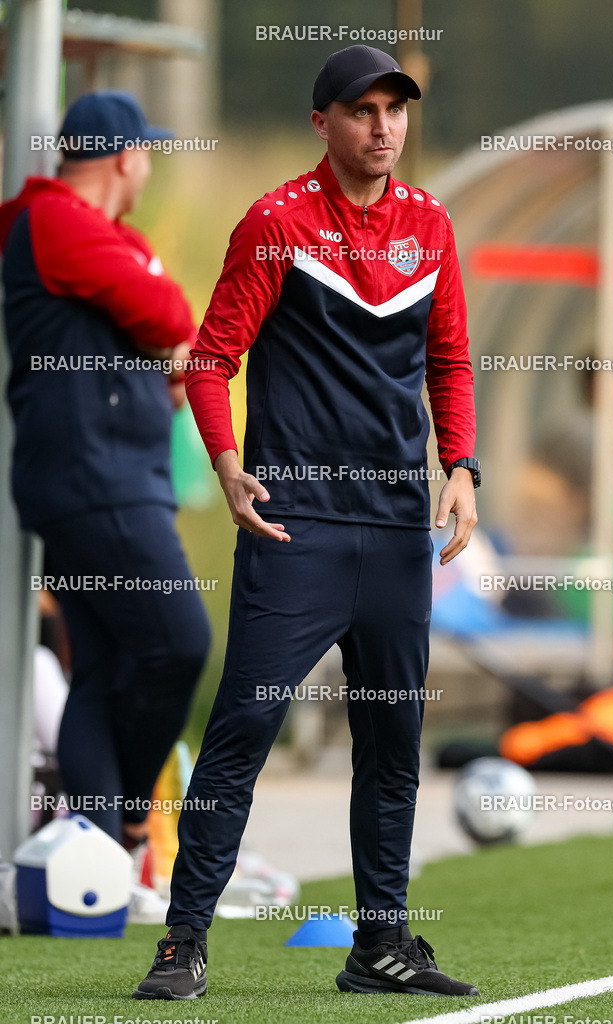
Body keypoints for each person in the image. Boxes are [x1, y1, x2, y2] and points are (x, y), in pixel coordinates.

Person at [134, 46, 480, 1001]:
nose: (383, 126)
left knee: (392, 744)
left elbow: (449, 361)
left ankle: (381, 946)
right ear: (322, 123)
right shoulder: (275, 222)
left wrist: (461, 467)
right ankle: (182, 945)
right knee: (243, 728)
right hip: (295, 528)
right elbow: (211, 361)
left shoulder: (431, 224)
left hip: (399, 531)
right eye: (363, 110)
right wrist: (227, 464)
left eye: (395, 109)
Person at [0, 91, 211, 850]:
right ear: (125, 158)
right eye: (146, 151)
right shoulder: (56, 218)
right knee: (181, 643)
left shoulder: (98, 233)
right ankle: (127, 825)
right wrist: (164, 339)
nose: (148, 165)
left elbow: (175, 348)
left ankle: (97, 860)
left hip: (104, 478)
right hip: (97, 481)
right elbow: (168, 315)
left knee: (103, 667)